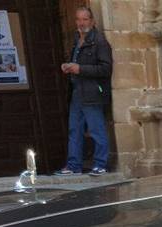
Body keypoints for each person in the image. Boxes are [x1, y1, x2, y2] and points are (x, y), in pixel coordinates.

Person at [54, 6, 112, 176]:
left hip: (93, 92)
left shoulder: (99, 41)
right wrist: (68, 66)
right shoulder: (77, 40)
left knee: (96, 129)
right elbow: (77, 64)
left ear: (92, 21)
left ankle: (101, 165)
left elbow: (105, 69)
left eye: (85, 19)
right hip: (77, 91)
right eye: (78, 19)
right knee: (75, 130)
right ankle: (73, 166)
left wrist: (80, 69)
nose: (81, 23)